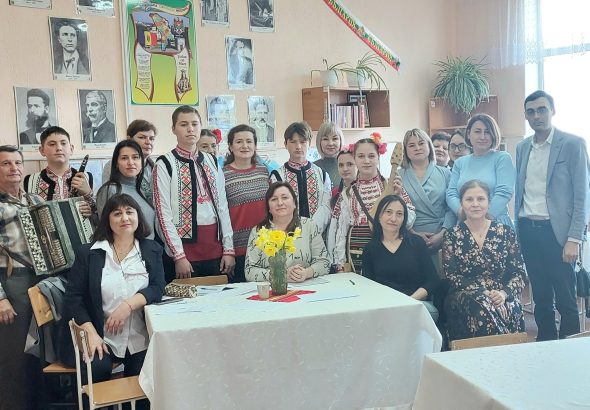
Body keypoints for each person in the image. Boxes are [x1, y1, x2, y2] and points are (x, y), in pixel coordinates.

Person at [64, 194, 165, 410]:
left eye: (129, 212)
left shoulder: (151, 249)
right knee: (96, 368)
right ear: (107, 220)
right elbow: (73, 298)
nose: (124, 218)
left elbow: (158, 287)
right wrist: (91, 333)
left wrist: (128, 305)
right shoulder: (89, 253)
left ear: (138, 216)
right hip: (101, 336)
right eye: (117, 213)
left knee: (146, 381)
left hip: (140, 336)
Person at [515, 90, 590, 340]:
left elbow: (582, 195)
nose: (536, 116)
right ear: (526, 116)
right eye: (531, 112)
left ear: (552, 111)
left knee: (566, 299)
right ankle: (544, 344)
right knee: (541, 297)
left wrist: (574, 238)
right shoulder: (522, 147)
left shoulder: (572, 144)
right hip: (528, 229)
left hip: (558, 233)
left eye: (542, 110)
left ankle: (570, 349)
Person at [153, 106, 235, 283]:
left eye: (194, 124)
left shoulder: (212, 160)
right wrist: (178, 255)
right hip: (185, 253)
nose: (190, 129)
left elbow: (223, 206)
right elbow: (162, 214)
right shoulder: (164, 164)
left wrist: (229, 249)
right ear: (173, 129)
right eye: (184, 125)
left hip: (215, 249)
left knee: (220, 297)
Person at [443, 180, 526, 341]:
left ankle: (504, 351)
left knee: (510, 306)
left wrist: (503, 294)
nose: (475, 204)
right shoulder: (452, 235)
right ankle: (502, 349)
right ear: (462, 203)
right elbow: (452, 276)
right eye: (469, 199)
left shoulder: (506, 232)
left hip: (501, 293)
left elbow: (519, 274)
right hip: (465, 294)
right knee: (482, 305)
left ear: (489, 202)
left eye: (480, 199)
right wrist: (485, 293)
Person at [0, 145, 45, 410]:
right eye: (6, 163)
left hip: (41, 283)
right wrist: (1, 298)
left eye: (17, 163)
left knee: (39, 353)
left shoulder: (35, 200)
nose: (14, 168)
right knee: (14, 357)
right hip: (12, 283)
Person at [333, 134, 416, 273]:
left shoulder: (391, 185)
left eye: (371, 156)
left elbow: (409, 221)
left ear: (378, 157)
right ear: (354, 159)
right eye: (361, 156)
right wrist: (340, 263)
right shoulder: (347, 193)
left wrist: (398, 196)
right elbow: (341, 231)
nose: (366, 161)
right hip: (356, 251)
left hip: (388, 246)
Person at [362, 195, 440, 320]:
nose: (393, 218)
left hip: (415, 303)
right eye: (388, 212)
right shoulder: (370, 249)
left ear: (404, 219)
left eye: (399, 214)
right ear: (379, 216)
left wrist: (408, 301)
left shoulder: (416, 243)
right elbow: (368, 287)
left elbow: (433, 281)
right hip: (384, 306)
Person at [245, 182, 330, 282]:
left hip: (306, 285)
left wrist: (306, 273)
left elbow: (324, 262)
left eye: (285, 197)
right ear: (269, 208)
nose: (280, 203)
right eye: (274, 199)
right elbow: (249, 271)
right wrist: (280, 275)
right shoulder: (258, 232)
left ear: (294, 203)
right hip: (272, 288)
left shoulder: (309, 225)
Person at [446, 114, 515, 227]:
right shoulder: (460, 163)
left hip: (496, 223)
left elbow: (504, 192)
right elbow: (451, 193)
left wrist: (483, 219)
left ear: (493, 134)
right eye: (477, 131)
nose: (482, 136)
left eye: (487, 132)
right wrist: (461, 212)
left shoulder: (502, 158)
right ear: (469, 134)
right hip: (465, 223)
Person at [399, 129, 454, 268]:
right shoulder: (398, 176)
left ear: (429, 146)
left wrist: (442, 234)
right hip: (409, 238)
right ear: (405, 150)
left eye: (421, 143)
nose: (417, 148)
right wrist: (413, 233)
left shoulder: (446, 174)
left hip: (442, 235)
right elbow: (395, 210)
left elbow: (452, 208)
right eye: (411, 145)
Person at [223, 124, 269, 282]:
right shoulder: (223, 175)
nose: (245, 146)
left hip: (266, 245)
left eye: (249, 141)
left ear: (255, 146)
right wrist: (228, 251)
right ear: (230, 146)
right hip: (238, 248)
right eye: (239, 142)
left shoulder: (264, 171)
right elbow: (221, 214)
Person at [270, 121, 331, 234]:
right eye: (293, 142)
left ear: (309, 143)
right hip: (288, 235)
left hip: (317, 235)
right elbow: (276, 207)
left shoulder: (322, 175)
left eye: (303, 142)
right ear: (285, 144)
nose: (298, 146)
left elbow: (326, 207)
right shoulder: (277, 176)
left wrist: (312, 229)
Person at [97, 140, 155, 239]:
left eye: (135, 157)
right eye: (124, 158)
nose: (131, 162)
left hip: (149, 247)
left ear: (141, 162)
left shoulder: (142, 190)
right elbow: (105, 230)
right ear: (116, 163)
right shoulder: (111, 190)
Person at [24, 126, 94, 207]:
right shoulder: (30, 180)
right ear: (42, 150)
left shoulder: (87, 177)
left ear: (71, 149)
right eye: (52, 144)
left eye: (63, 143)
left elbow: (98, 211)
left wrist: (88, 193)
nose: (59, 148)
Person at [102, 120, 157, 204]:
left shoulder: (155, 167)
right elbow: (107, 197)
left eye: (151, 139)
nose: (148, 142)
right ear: (129, 139)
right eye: (142, 137)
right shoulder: (115, 165)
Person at [327, 148, 356, 262]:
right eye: (341, 165)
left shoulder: (364, 190)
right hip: (339, 251)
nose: (345, 169)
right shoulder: (335, 193)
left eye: (350, 164)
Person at [314, 121, 343, 188]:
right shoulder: (313, 168)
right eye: (325, 139)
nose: (330, 143)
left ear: (341, 141)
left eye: (335, 138)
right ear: (319, 142)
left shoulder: (349, 165)